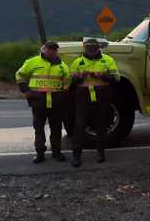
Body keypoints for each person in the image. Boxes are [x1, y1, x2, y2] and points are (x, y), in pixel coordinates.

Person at [15, 41, 70, 163]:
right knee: (38, 128)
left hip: (56, 102)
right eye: (49, 48)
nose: (52, 51)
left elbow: (67, 82)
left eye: (54, 49)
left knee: (56, 128)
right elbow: (19, 75)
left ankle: (56, 152)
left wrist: (63, 94)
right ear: (43, 49)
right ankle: (40, 152)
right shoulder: (33, 62)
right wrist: (25, 90)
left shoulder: (63, 66)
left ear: (57, 51)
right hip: (38, 101)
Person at [69, 37, 120, 167]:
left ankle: (101, 153)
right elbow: (70, 82)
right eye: (88, 47)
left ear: (98, 47)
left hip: (102, 97)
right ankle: (76, 155)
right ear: (84, 48)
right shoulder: (77, 62)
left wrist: (102, 76)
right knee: (79, 126)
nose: (91, 49)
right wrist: (79, 77)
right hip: (83, 97)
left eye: (94, 47)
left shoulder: (108, 60)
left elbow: (116, 78)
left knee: (101, 126)